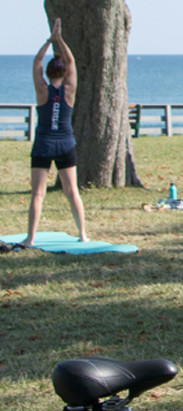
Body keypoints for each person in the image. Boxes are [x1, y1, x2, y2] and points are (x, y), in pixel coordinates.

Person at [22, 18, 87, 247]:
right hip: (65, 144)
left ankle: (30, 238)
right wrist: (60, 40)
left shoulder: (42, 90)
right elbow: (70, 60)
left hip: (43, 144)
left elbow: (36, 62)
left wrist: (49, 41)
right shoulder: (69, 90)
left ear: (49, 74)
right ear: (64, 73)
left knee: (38, 194)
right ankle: (83, 235)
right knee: (72, 192)